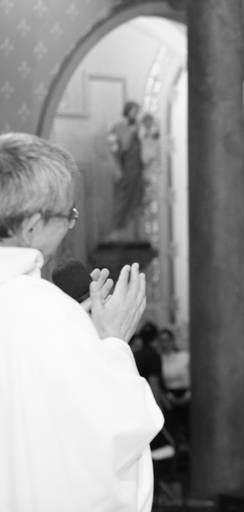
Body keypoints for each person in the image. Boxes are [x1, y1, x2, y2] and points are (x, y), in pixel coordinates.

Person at [0, 133, 162, 511]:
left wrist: (78, 330)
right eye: (67, 216)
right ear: (31, 226)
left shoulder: (50, 312)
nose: (71, 226)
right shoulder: (47, 311)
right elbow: (107, 442)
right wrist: (113, 342)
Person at [107, 100, 144, 240]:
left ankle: (134, 232)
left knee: (137, 199)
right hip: (126, 168)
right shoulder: (119, 127)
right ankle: (117, 228)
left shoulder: (138, 127)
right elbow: (120, 147)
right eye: (134, 111)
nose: (136, 114)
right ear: (127, 111)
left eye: (137, 112)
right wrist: (131, 132)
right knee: (123, 199)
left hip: (137, 169)